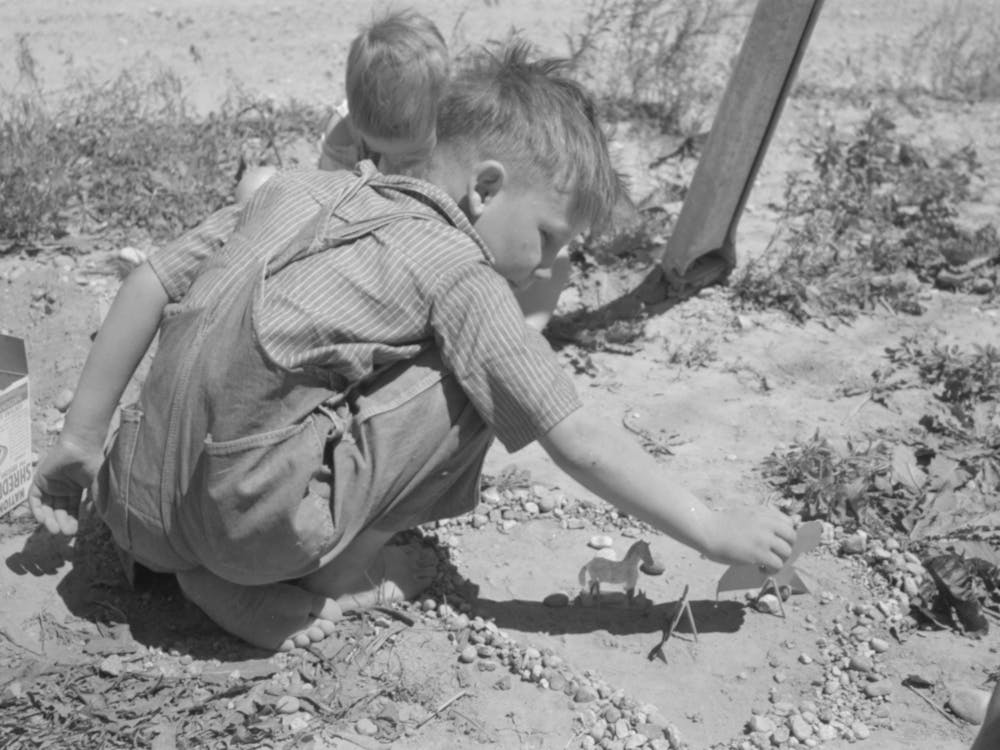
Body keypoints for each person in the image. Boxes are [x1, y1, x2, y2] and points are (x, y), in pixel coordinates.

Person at [29, 42, 796, 653]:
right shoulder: (456, 270)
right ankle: (321, 569)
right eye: (553, 238)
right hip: (247, 533)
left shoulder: (295, 189)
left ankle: (192, 564)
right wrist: (712, 529)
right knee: (490, 379)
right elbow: (576, 437)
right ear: (485, 190)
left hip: (128, 501)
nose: (556, 264)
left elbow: (148, 286)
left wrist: (80, 441)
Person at [316, 8, 449, 176]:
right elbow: (330, 192)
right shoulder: (344, 136)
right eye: (379, 151)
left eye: (413, 157)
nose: (395, 163)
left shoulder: (448, 122)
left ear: (440, 106)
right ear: (357, 124)